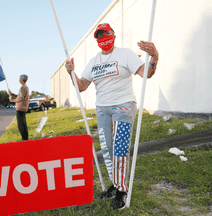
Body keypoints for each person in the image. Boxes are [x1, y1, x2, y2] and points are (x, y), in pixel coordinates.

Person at [65, 23, 158, 210]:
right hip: (102, 110)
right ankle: (115, 184)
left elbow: (146, 73)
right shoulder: (94, 61)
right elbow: (82, 86)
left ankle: (122, 190)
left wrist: (155, 56)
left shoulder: (125, 54)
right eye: (100, 35)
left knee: (120, 146)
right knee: (107, 149)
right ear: (97, 40)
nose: (103, 37)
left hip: (124, 106)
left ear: (113, 35)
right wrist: (71, 72)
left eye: (106, 33)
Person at [8, 74, 30, 141]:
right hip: (22, 108)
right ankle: (25, 138)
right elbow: (19, 96)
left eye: (20, 78)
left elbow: (21, 98)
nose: (19, 80)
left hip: (21, 108)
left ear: (22, 80)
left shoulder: (23, 87)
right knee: (23, 123)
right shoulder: (24, 87)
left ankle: (24, 138)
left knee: (21, 125)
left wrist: (13, 100)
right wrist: (11, 94)